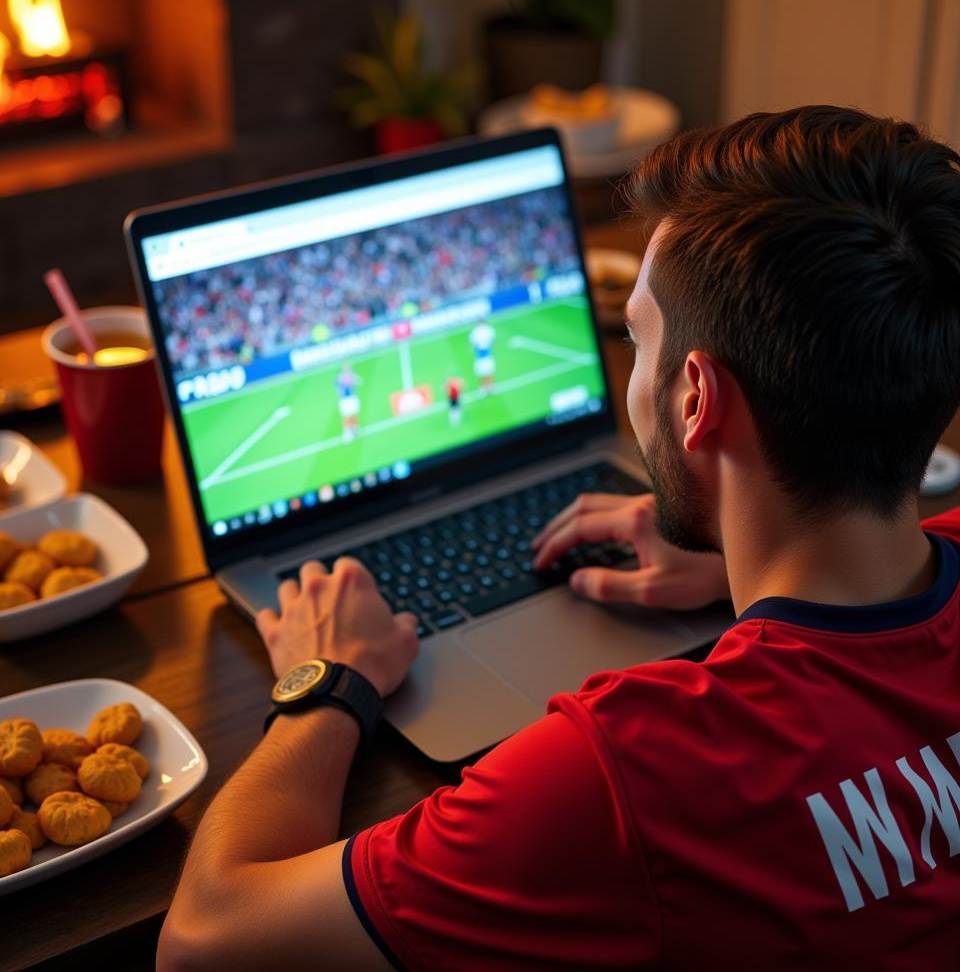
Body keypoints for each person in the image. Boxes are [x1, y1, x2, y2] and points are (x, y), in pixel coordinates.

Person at [156, 107, 960, 971]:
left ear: (696, 400)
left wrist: (326, 686)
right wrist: (736, 545)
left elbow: (205, 941)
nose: (630, 365)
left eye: (636, 338)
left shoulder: (620, 777)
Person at [335, 362, 362, 442]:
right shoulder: (340, 378)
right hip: (345, 399)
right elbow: (341, 386)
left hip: (352, 397)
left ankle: (355, 428)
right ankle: (347, 432)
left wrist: (353, 377)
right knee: (347, 416)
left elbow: (358, 381)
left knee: (354, 413)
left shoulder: (351, 376)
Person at [469, 318, 496, 393]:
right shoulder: (487, 330)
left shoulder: (477, 332)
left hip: (484, 355)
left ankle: (488, 387)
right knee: (484, 372)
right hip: (482, 355)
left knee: (486, 372)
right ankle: (486, 387)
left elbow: (473, 344)